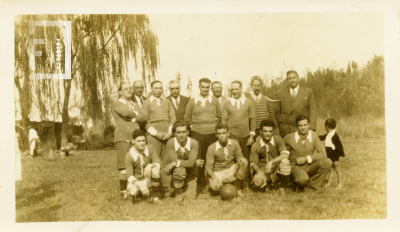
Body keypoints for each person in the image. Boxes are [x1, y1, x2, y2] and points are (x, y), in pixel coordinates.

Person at [184, 78, 222, 193]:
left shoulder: (214, 100)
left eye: (207, 87)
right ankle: (199, 185)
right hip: (197, 134)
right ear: (199, 87)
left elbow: (219, 116)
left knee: (212, 159)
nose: (205, 89)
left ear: (209, 88)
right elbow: (187, 117)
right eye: (203, 87)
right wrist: (193, 128)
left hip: (211, 134)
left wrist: (214, 128)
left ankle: (214, 184)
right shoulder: (193, 100)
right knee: (199, 160)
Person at [112, 83, 147, 198]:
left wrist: (132, 118)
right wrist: (136, 115)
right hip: (123, 138)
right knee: (123, 166)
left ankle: (136, 189)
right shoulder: (117, 103)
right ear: (120, 92)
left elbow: (144, 116)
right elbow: (125, 113)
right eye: (125, 89)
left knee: (137, 163)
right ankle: (123, 192)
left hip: (136, 138)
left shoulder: (135, 104)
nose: (128, 90)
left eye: (129, 88)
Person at [142, 80, 176, 193]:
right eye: (156, 88)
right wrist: (155, 134)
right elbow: (144, 121)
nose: (158, 90)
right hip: (153, 134)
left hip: (167, 133)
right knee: (154, 159)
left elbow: (173, 118)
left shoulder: (167, 101)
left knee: (167, 159)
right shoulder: (146, 102)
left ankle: (166, 186)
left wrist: (170, 132)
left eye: (160, 88)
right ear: (151, 89)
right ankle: (153, 187)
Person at [222, 80, 256, 188]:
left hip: (246, 136)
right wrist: (226, 136)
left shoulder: (249, 102)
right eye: (232, 89)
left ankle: (246, 184)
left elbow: (252, 119)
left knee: (245, 160)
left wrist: (251, 135)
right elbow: (224, 121)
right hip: (232, 136)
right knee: (232, 160)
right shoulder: (227, 103)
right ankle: (234, 183)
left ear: (241, 89)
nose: (234, 91)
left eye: (236, 89)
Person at [284, 115, 332, 191]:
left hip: (309, 166)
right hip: (295, 167)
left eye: (305, 125)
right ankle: (293, 181)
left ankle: (313, 185)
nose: (303, 128)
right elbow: (278, 146)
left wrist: (306, 159)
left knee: (328, 162)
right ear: (297, 126)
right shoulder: (289, 138)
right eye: (300, 125)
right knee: (302, 180)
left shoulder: (313, 136)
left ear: (309, 125)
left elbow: (323, 154)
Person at [205, 123, 248, 196]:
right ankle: (224, 185)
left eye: (224, 133)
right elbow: (208, 167)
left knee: (244, 161)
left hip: (230, 169)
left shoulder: (234, 143)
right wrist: (214, 177)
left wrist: (235, 170)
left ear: (228, 133)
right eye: (219, 133)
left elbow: (239, 158)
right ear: (216, 135)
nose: (222, 136)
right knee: (215, 188)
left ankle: (237, 188)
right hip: (218, 172)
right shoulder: (211, 147)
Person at [250, 119, 290, 195]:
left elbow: (286, 154)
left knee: (285, 161)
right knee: (257, 182)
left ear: (273, 132)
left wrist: (272, 162)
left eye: (270, 131)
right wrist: (258, 172)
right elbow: (253, 164)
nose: (268, 134)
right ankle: (268, 185)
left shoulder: (277, 139)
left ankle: (282, 187)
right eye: (265, 131)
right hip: (263, 171)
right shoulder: (256, 145)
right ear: (261, 132)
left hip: (276, 171)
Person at [275, 70, 317, 137]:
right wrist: (280, 127)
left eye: (294, 78)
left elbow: (313, 111)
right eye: (290, 78)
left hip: (303, 130)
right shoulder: (280, 93)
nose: (292, 80)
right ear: (287, 80)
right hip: (285, 131)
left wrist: (312, 128)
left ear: (298, 78)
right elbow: (277, 112)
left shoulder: (308, 92)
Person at [164, 121, 199, 202]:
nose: (181, 135)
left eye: (184, 132)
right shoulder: (171, 142)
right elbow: (175, 160)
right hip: (178, 171)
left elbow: (191, 163)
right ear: (174, 133)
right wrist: (175, 163)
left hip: (191, 173)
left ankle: (181, 188)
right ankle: (178, 193)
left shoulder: (194, 143)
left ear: (187, 132)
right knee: (179, 169)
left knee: (189, 198)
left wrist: (174, 163)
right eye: (178, 132)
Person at [125, 130, 162, 203]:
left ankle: (154, 196)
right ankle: (133, 194)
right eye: (139, 141)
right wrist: (140, 185)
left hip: (148, 179)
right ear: (133, 141)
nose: (142, 143)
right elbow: (129, 176)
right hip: (136, 181)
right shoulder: (129, 155)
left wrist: (151, 165)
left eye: (143, 140)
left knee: (156, 170)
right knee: (133, 191)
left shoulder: (150, 148)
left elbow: (158, 163)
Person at [319, 118, 345, 188]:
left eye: (325, 126)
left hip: (335, 154)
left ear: (327, 126)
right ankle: (329, 182)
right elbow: (321, 137)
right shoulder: (328, 134)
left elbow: (339, 146)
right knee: (330, 169)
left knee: (337, 169)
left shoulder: (334, 136)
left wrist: (340, 155)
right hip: (329, 154)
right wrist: (315, 137)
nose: (325, 128)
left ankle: (340, 183)